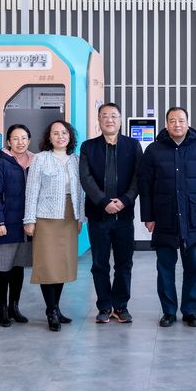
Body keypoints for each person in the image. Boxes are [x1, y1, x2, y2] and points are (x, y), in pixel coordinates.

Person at [138, 107, 196, 328]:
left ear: (188, 122)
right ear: (166, 124)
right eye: (172, 120)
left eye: (181, 120)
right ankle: (169, 311)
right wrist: (148, 217)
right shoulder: (154, 150)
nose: (177, 124)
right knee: (165, 267)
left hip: (194, 216)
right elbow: (145, 186)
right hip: (164, 216)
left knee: (193, 267)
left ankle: (190, 311)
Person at [80, 103, 143, 324]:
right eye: (105, 116)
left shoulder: (133, 146)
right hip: (98, 216)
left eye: (114, 116)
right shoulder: (88, 147)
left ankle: (121, 306)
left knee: (124, 264)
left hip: (124, 216)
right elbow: (85, 178)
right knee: (100, 264)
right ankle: (104, 306)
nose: (109, 120)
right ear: (98, 120)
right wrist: (103, 202)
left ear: (120, 119)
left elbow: (138, 177)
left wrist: (125, 200)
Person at [23, 120, 86, 332]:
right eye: (56, 133)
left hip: (69, 216)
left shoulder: (76, 160)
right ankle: (50, 310)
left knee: (62, 264)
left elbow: (80, 192)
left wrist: (80, 218)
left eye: (64, 133)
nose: (60, 137)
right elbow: (32, 190)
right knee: (47, 264)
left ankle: (56, 308)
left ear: (70, 137)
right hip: (45, 217)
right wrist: (29, 220)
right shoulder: (40, 159)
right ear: (49, 137)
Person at [0, 124, 34, 327]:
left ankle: (14, 307)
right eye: (15, 138)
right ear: (8, 142)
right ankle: (2, 309)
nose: (20, 142)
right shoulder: (0, 164)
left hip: (25, 225)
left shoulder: (35, 162)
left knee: (17, 268)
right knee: (3, 269)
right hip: (5, 224)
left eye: (24, 138)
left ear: (29, 140)